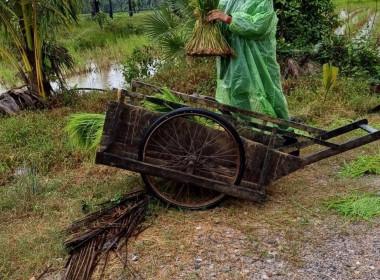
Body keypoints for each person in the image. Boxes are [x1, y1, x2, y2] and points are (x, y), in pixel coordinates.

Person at [205, 0, 291, 122]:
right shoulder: (227, 1)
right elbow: (219, 22)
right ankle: (246, 127)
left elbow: (260, 25)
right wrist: (206, 16)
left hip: (258, 56)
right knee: (236, 89)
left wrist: (229, 19)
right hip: (233, 55)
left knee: (268, 90)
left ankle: (284, 129)